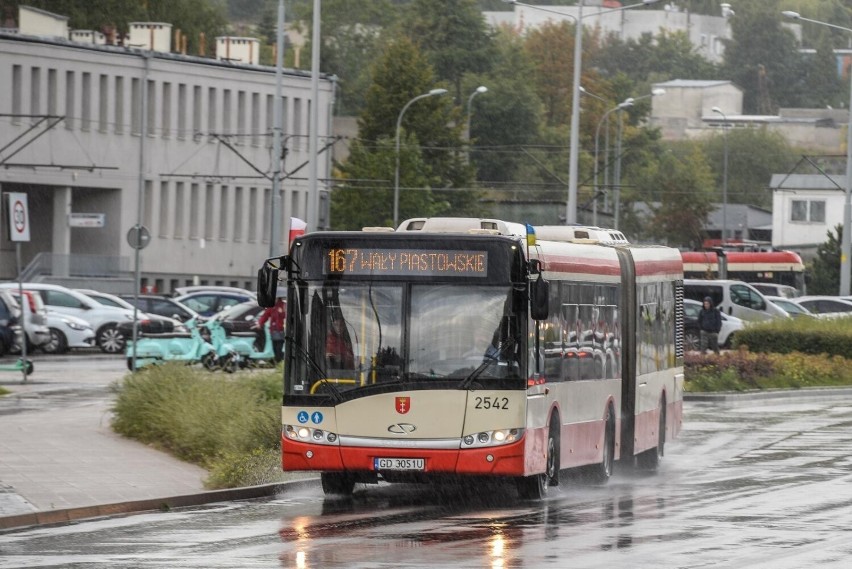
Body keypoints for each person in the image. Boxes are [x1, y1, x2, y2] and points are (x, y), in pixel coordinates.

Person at [254, 297, 286, 362]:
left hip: (282, 330)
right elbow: (265, 316)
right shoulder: (271, 306)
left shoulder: (284, 305)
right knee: (275, 347)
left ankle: (279, 360)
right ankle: (278, 361)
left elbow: (287, 316)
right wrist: (260, 323)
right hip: (274, 330)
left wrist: (282, 312)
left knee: (279, 347)